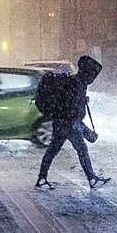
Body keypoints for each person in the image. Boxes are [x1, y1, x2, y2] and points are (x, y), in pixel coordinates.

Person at [34, 55, 108, 189]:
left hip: (60, 123)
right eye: (92, 75)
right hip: (69, 125)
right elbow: (74, 115)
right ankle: (92, 179)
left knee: (52, 151)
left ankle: (41, 179)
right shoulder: (77, 85)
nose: (92, 79)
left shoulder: (74, 82)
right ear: (87, 73)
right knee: (82, 150)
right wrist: (86, 132)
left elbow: (71, 112)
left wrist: (87, 131)